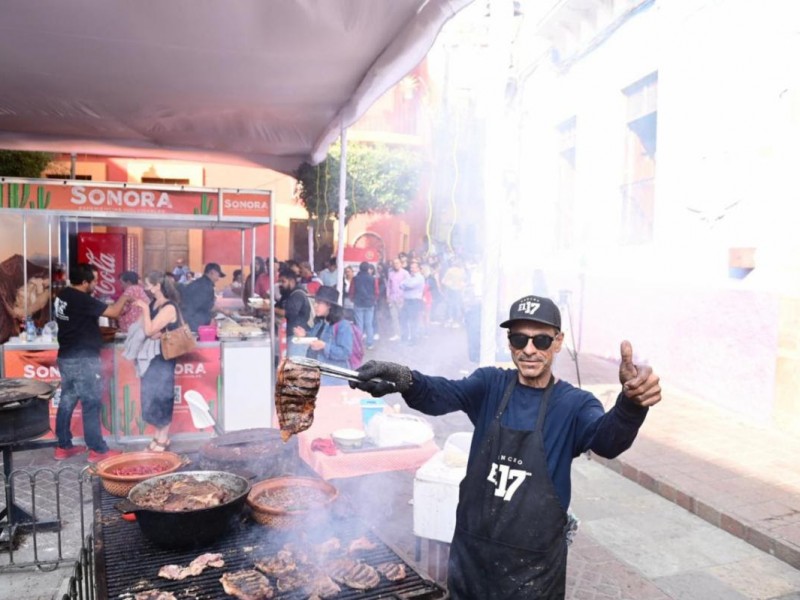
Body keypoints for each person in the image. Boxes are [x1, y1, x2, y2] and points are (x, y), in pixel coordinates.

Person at [350, 294, 662, 598]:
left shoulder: (574, 404)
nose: (528, 350)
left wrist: (630, 407)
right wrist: (405, 379)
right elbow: (441, 393)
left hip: (533, 573)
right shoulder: (490, 385)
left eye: (540, 340)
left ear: (558, 341)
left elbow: (607, 440)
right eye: (518, 339)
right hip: (471, 561)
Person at [53, 263, 130, 463]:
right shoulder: (82, 299)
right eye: (94, 281)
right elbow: (113, 312)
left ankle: (63, 446)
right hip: (83, 359)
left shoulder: (63, 295)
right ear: (85, 282)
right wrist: (126, 296)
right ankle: (98, 449)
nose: (96, 284)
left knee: (67, 400)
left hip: (66, 356)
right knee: (91, 403)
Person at [133, 271, 181, 452]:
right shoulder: (154, 304)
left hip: (163, 357)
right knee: (152, 396)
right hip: (151, 357)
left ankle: (163, 438)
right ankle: (158, 435)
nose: (145, 288)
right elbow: (144, 329)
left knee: (163, 396)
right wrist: (149, 326)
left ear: (157, 286)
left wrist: (145, 312)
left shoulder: (169, 307)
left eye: (147, 284)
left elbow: (149, 330)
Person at [293, 286, 354, 386]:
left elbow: (345, 353)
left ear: (329, 305)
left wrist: (324, 346)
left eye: (319, 303)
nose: (315, 305)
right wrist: (304, 335)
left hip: (333, 381)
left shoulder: (343, 325)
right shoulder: (321, 322)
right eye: (315, 302)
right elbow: (315, 340)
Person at [274, 268, 311, 358]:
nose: (281, 285)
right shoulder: (287, 294)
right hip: (288, 333)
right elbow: (278, 306)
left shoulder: (298, 294)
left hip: (297, 336)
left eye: (283, 281)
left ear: (291, 281)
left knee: (294, 365)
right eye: (280, 282)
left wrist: (270, 309)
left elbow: (289, 313)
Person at [181, 262, 224, 331]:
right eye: (218, 275)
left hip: (189, 321)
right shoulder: (205, 285)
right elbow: (209, 306)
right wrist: (224, 311)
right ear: (212, 272)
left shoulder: (200, 282)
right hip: (194, 323)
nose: (218, 279)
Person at [351, 261, 377, 349]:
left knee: (359, 324)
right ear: (368, 269)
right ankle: (370, 343)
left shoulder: (355, 278)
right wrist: (373, 299)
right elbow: (376, 291)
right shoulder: (373, 279)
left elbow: (352, 290)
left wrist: (352, 299)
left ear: (360, 268)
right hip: (370, 303)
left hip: (358, 303)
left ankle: (359, 344)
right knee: (369, 324)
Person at [399, 260, 424, 345]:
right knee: (404, 319)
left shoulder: (420, 277)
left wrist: (405, 284)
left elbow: (410, 285)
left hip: (414, 301)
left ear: (418, 268)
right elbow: (401, 285)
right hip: (407, 301)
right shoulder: (409, 277)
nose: (412, 269)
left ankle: (414, 339)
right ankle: (405, 337)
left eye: (414, 268)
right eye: (411, 268)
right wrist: (405, 284)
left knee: (413, 321)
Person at [386, 257, 408, 342]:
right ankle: (397, 334)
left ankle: (404, 333)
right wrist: (388, 296)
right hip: (392, 298)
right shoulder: (390, 273)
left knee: (402, 317)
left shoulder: (405, 273)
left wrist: (403, 297)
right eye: (394, 263)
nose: (396, 265)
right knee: (394, 317)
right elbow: (388, 285)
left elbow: (408, 286)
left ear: (401, 264)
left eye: (397, 263)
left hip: (401, 299)